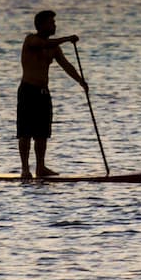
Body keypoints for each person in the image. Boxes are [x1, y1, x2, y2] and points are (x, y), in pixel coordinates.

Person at [17, 9, 87, 179]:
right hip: (28, 91)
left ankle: (40, 167)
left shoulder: (54, 48)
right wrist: (68, 39)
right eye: (51, 23)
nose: (54, 25)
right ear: (41, 25)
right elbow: (44, 44)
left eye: (54, 23)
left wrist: (81, 81)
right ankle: (25, 169)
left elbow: (66, 65)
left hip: (43, 93)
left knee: (42, 132)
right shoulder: (31, 40)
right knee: (26, 132)